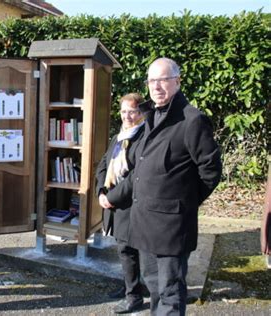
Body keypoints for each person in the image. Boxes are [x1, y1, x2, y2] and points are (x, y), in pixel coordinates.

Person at [108, 58, 222, 315]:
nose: (156, 86)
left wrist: (183, 204)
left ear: (177, 81)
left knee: (170, 293)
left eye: (163, 80)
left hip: (171, 227)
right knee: (155, 288)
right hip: (145, 224)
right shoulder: (150, 117)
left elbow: (211, 171)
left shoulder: (192, 120)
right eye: (151, 80)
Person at [95, 93, 145, 314]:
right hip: (113, 200)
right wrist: (100, 192)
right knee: (124, 248)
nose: (127, 116)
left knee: (129, 250)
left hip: (130, 203)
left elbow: (137, 176)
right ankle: (129, 286)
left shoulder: (144, 137)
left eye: (132, 111)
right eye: (123, 111)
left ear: (141, 113)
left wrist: (111, 198)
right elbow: (103, 165)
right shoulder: (119, 137)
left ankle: (134, 296)